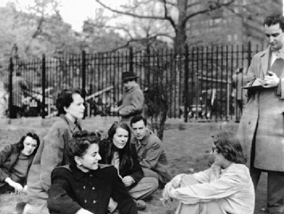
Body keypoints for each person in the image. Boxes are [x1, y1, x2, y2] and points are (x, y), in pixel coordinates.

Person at [236, 14, 284, 213]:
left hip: (279, 131)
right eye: (267, 36)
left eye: (275, 35)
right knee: (245, 182)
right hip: (255, 129)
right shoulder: (258, 58)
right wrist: (252, 83)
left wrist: (279, 83)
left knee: (277, 193)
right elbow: (246, 84)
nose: (271, 40)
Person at [22, 88, 85, 214]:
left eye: (83, 104)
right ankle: (32, 209)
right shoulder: (59, 128)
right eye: (78, 104)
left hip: (64, 183)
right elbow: (49, 170)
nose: (83, 107)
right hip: (44, 189)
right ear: (66, 108)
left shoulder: (75, 125)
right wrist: (60, 197)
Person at [163, 131, 255, 214]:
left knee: (200, 199)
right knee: (188, 184)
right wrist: (172, 184)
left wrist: (172, 193)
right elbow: (194, 178)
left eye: (214, 150)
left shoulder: (238, 173)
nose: (211, 153)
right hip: (220, 209)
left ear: (225, 151)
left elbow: (206, 191)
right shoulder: (219, 167)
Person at [48, 130, 137, 214]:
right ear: (78, 159)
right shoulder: (63, 174)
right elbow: (56, 199)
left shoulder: (108, 173)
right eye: (94, 155)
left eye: (98, 153)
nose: (99, 158)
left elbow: (126, 202)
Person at [99, 121, 158, 210]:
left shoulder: (130, 149)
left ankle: (120, 200)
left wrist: (132, 178)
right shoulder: (102, 147)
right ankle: (126, 201)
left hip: (123, 187)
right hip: (105, 187)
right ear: (112, 136)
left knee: (153, 182)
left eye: (125, 136)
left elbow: (138, 171)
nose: (123, 140)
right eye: (119, 136)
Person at [130, 115, 172, 189]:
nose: (138, 132)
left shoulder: (154, 142)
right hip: (146, 171)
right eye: (135, 129)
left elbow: (147, 165)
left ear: (146, 127)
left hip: (160, 176)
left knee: (136, 171)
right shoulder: (134, 139)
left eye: (140, 128)